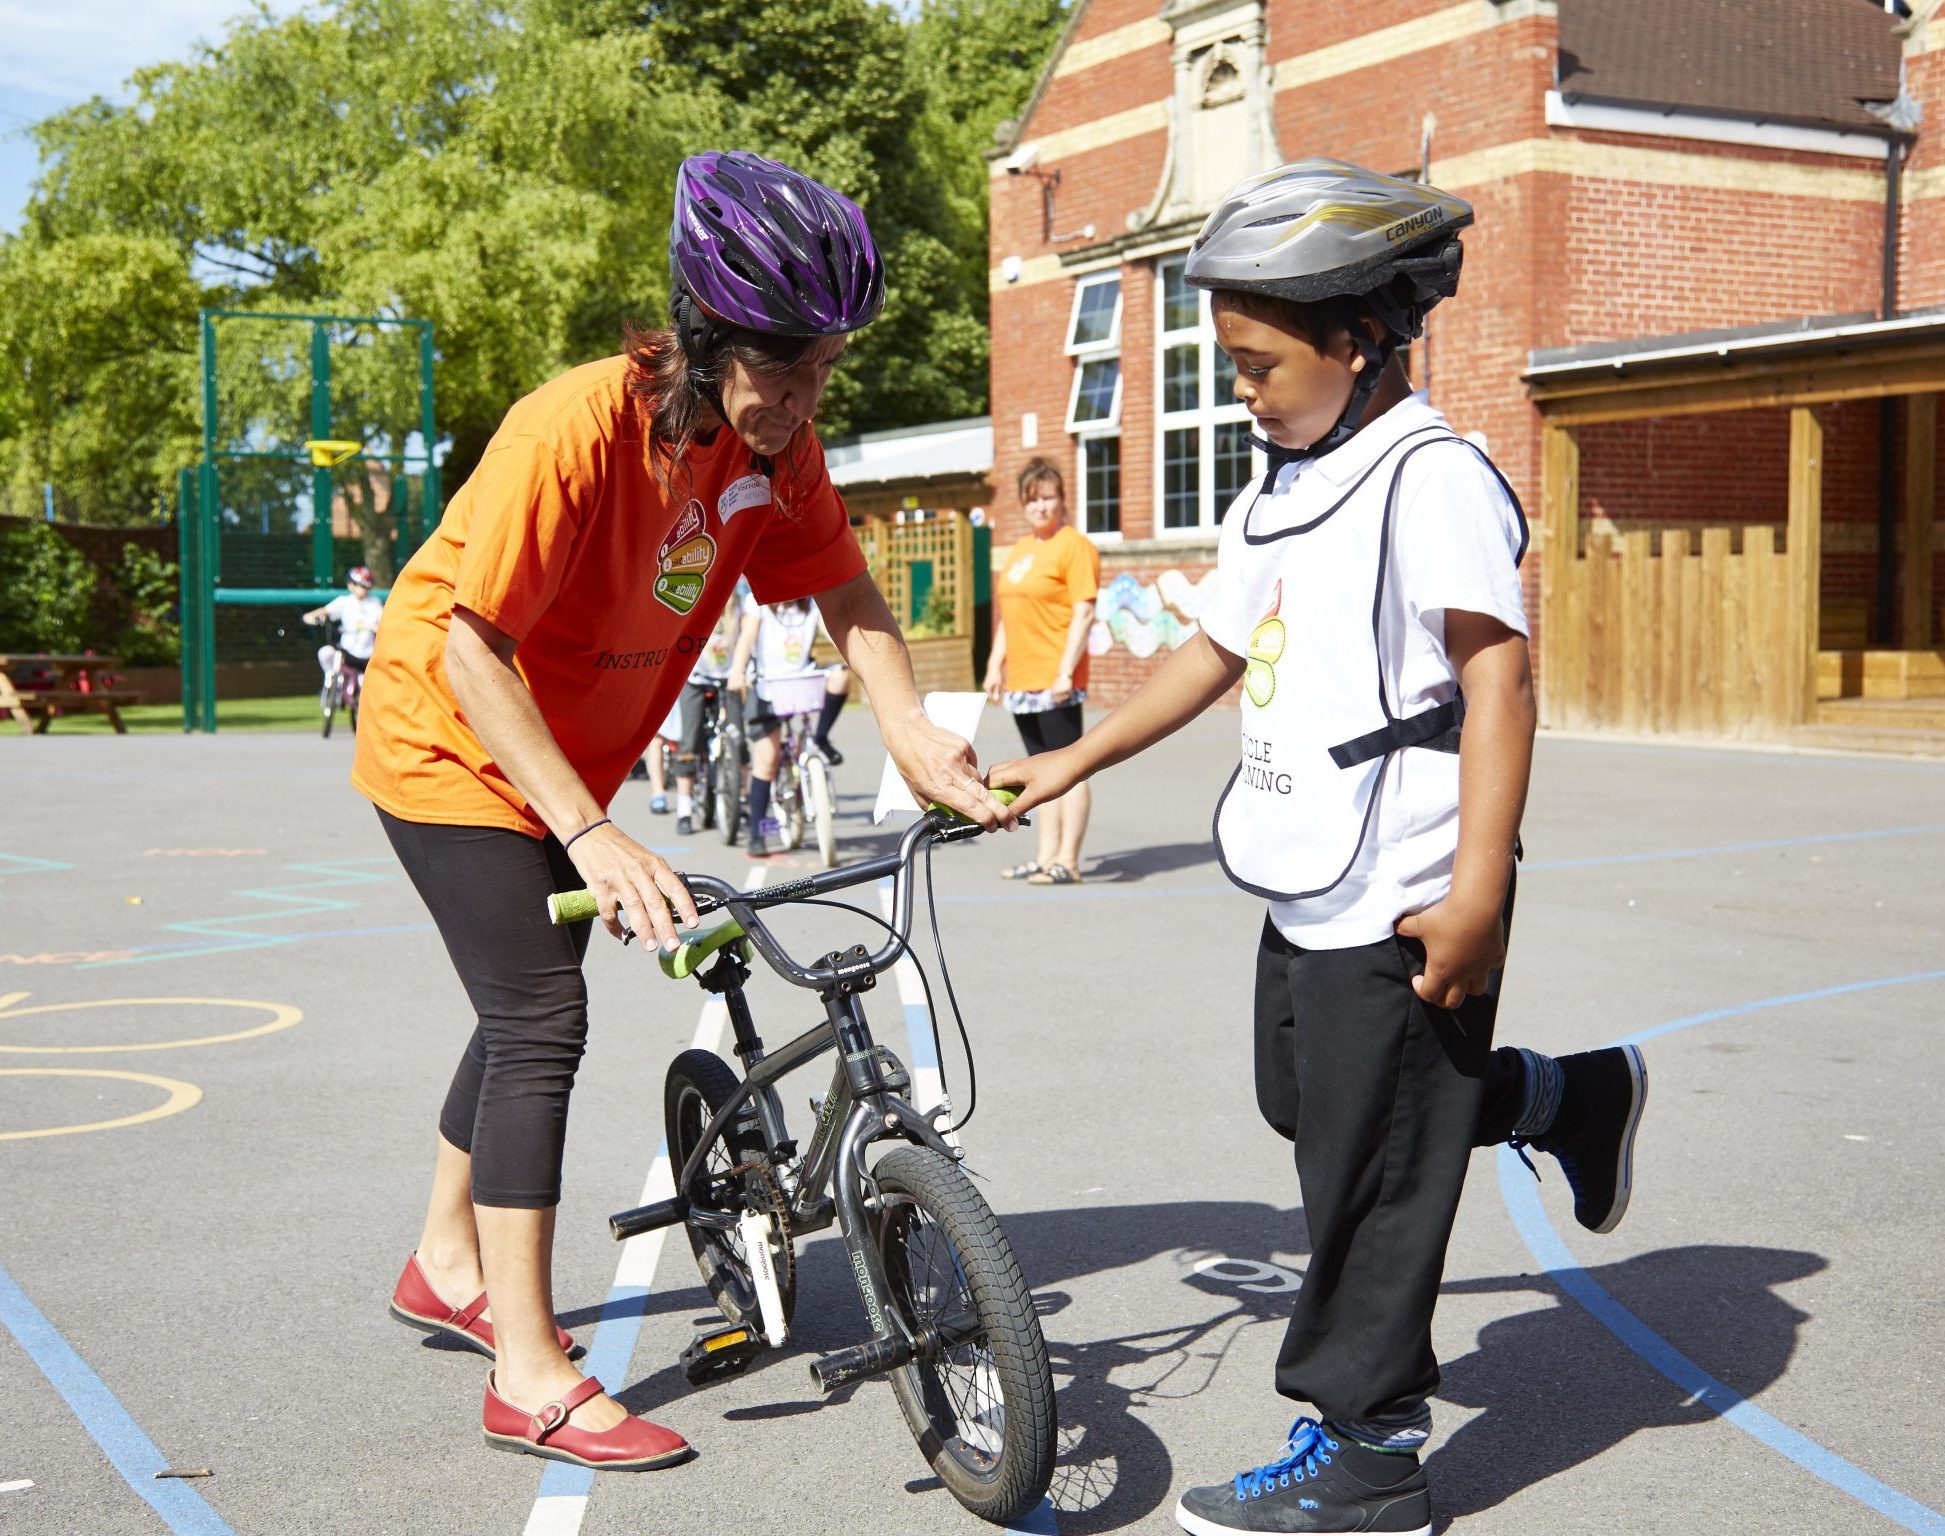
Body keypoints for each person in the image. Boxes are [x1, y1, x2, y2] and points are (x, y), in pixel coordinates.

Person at [989, 159, 1649, 1536]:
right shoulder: (1285, 483)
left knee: (1365, 1161)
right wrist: (1074, 754)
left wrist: (1477, 896)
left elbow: (1498, 685)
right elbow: (1213, 651)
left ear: (1352, 338)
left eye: (1252, 361)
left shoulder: (1432, 478)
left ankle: (1370, 1450)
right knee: (1314, 1107)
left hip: (1408, 885)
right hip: (1309, 876)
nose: (1236, 386)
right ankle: (1549, 1099)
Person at [351, 149, 1013, 1476]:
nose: (803, 398)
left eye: (825, 366)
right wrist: (593, 833)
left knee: (516, 989)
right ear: (707, 341)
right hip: (448, 735)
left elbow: (850, 599)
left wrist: (909, 730)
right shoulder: (576, 430)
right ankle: (530, 1373)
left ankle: (444, 1259)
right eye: (783, 367)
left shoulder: (776, 448)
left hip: (554, 755)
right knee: (541, 1010)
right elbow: (475, 654)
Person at [982, 458, 1100, 885]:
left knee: (1070, 766)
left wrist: (1066, 672)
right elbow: (1007, 616)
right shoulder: (1021, 550)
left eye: (1048, 497)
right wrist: (996, 664)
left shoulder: (1074, 546)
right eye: (1032, 500)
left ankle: (1067, 860)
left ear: (1062, 499)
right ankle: (1046, 855)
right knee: (1039, 769)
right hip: (1023, 679)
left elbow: (1084, 611)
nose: (1041, 507)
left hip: (1055, 677)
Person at [672, 579, 754, 835]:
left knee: (738, 739)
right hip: (696, 679)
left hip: (728, 679)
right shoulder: (695, 605)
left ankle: (740, 801)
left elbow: (748, 639)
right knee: (690, 741)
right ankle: (684, 809)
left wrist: (740, 674)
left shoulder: (741, 608)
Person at [302, 565, 383, 690]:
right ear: (351, 585)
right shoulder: (344, 602)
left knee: (364, 687)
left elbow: (382, 626)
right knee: (325, 653)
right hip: (347, 652)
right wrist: (310, 616)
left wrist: (372, 627)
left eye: (366, 585)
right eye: (360, 585)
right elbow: (325, 611)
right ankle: (330, 678)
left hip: (368, 655)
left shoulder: (375, 603)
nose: (363, 589)